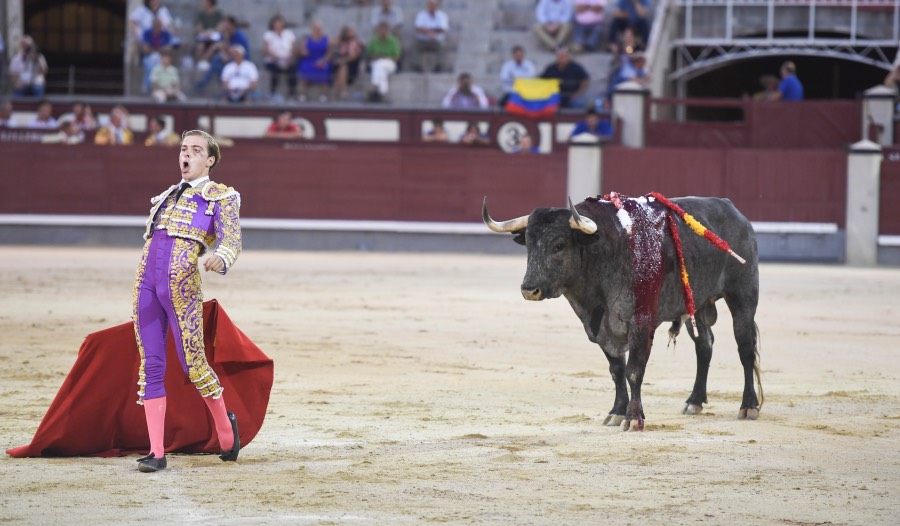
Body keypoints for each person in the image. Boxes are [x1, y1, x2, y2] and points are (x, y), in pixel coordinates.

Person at [132, 129, 242, 473]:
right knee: (150, 365)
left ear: (209, 160)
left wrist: (220, 257)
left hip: (181, 289)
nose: (187, 155)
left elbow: (231, 240)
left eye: (195, 150)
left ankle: (226, 433)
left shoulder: (220, 197)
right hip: (146, 285)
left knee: (193, 364)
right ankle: (156, 452)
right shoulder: (166, 196)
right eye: (183, 149)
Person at [195, 16, 251, 93]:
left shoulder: (239, 36)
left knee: (217, 59)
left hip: (241, 62)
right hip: (229, 60)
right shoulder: (224, 35)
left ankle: (204, 82)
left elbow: (237, 53)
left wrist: (225, 43)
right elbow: (222, 49)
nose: (225, 27)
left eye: (226, 25)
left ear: (232, 26)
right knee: (217, 63)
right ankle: (222, 87)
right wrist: (222, 53)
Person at [262, 14, 297, 102]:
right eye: (276, 23)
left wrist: (291, 58)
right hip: (273, 60)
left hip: (287, 60)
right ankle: (272, 93)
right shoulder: (268, 35)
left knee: (293, 70)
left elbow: (293, 48)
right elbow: (265, 50)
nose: (278, 25)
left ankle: (291, 94)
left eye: (279, 23)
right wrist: (275, 57)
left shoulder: (289, 34)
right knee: (275, 70)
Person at [366, 22, 402, 102]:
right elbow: (368, 55)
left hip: (390, 63)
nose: (382, 32)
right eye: (380, 30)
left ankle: (374, 85)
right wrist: (376, 57)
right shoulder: (374, 40)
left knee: (380, 64)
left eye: (384, 30)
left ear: (387, 31)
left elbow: (397, 57)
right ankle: (382, 93)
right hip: (375, 63)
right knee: (380, 66)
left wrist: (385, 57)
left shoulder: (393, 41)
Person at [297, 21, 332, 102]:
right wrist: (303, 52)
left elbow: (329, 53)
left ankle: (324, 95)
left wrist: (324, 60)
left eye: (319, 29)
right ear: (312, 29)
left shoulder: (326, 39)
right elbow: (302, 50)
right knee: (304, 67)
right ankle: (302, 94)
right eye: (316, 28)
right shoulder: (306, 39)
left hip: (321, 61)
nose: (317, 30)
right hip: (309, 60)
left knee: (325, 68)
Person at [140, 16, 176, 93]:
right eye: (155, 25)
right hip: (148, 57)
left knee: (157, 61)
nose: (157, 28)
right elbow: (145, 49)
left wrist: (154, 49)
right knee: (152, 63)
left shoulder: (165, 34)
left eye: (159, 25)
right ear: (152, 25)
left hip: (162, 57)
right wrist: (160, 49)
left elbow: (169, 47)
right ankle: (151, 86)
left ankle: (150, 86)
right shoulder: (147, 33)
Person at [414, 0, 450, 73]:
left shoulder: (442, 15)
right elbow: (418, 28)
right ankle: (418, 67)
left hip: (437, 40)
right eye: (430, 4)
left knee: (443, 47)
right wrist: (430, 32)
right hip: (422, 40)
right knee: (413, 48)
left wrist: (427, 30)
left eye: (433, 5)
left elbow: (443, 29)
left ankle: (439, 67)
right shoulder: (421, 14)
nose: (431, 6)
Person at [331, 26, 365, 100]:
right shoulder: (342, 41)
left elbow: (354, 56)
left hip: (352, 64)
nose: (348, 33)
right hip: (340, 62)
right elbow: (332, 43)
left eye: (349, 31)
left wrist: (344, 60)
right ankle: (338, 90)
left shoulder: (358, 42)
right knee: (339, 67)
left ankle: (342, 90)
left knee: (343, 67)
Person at [193, 0, 225, 68]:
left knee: (213, 47)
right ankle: (200, 63)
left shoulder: (218, 13)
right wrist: (204, 33)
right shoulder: (201, 14)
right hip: (204, 35)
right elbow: (199, 27)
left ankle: (203, 61)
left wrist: (212, 32)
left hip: (215, 35)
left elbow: (220, 27)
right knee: (200, 46)